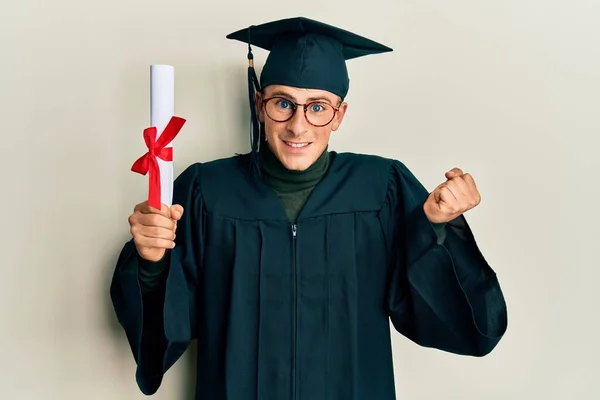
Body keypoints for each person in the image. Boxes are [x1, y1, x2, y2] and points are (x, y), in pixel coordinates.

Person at [110, 16, 508, 400]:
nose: (298, 126)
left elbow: (436, 311)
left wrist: (438, 227)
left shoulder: (381, 188)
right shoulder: (206, 190)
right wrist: (151, 263)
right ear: (259, 103)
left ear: (340, 116)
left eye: (317, 107)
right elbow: (170, 321)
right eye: (283, 103)